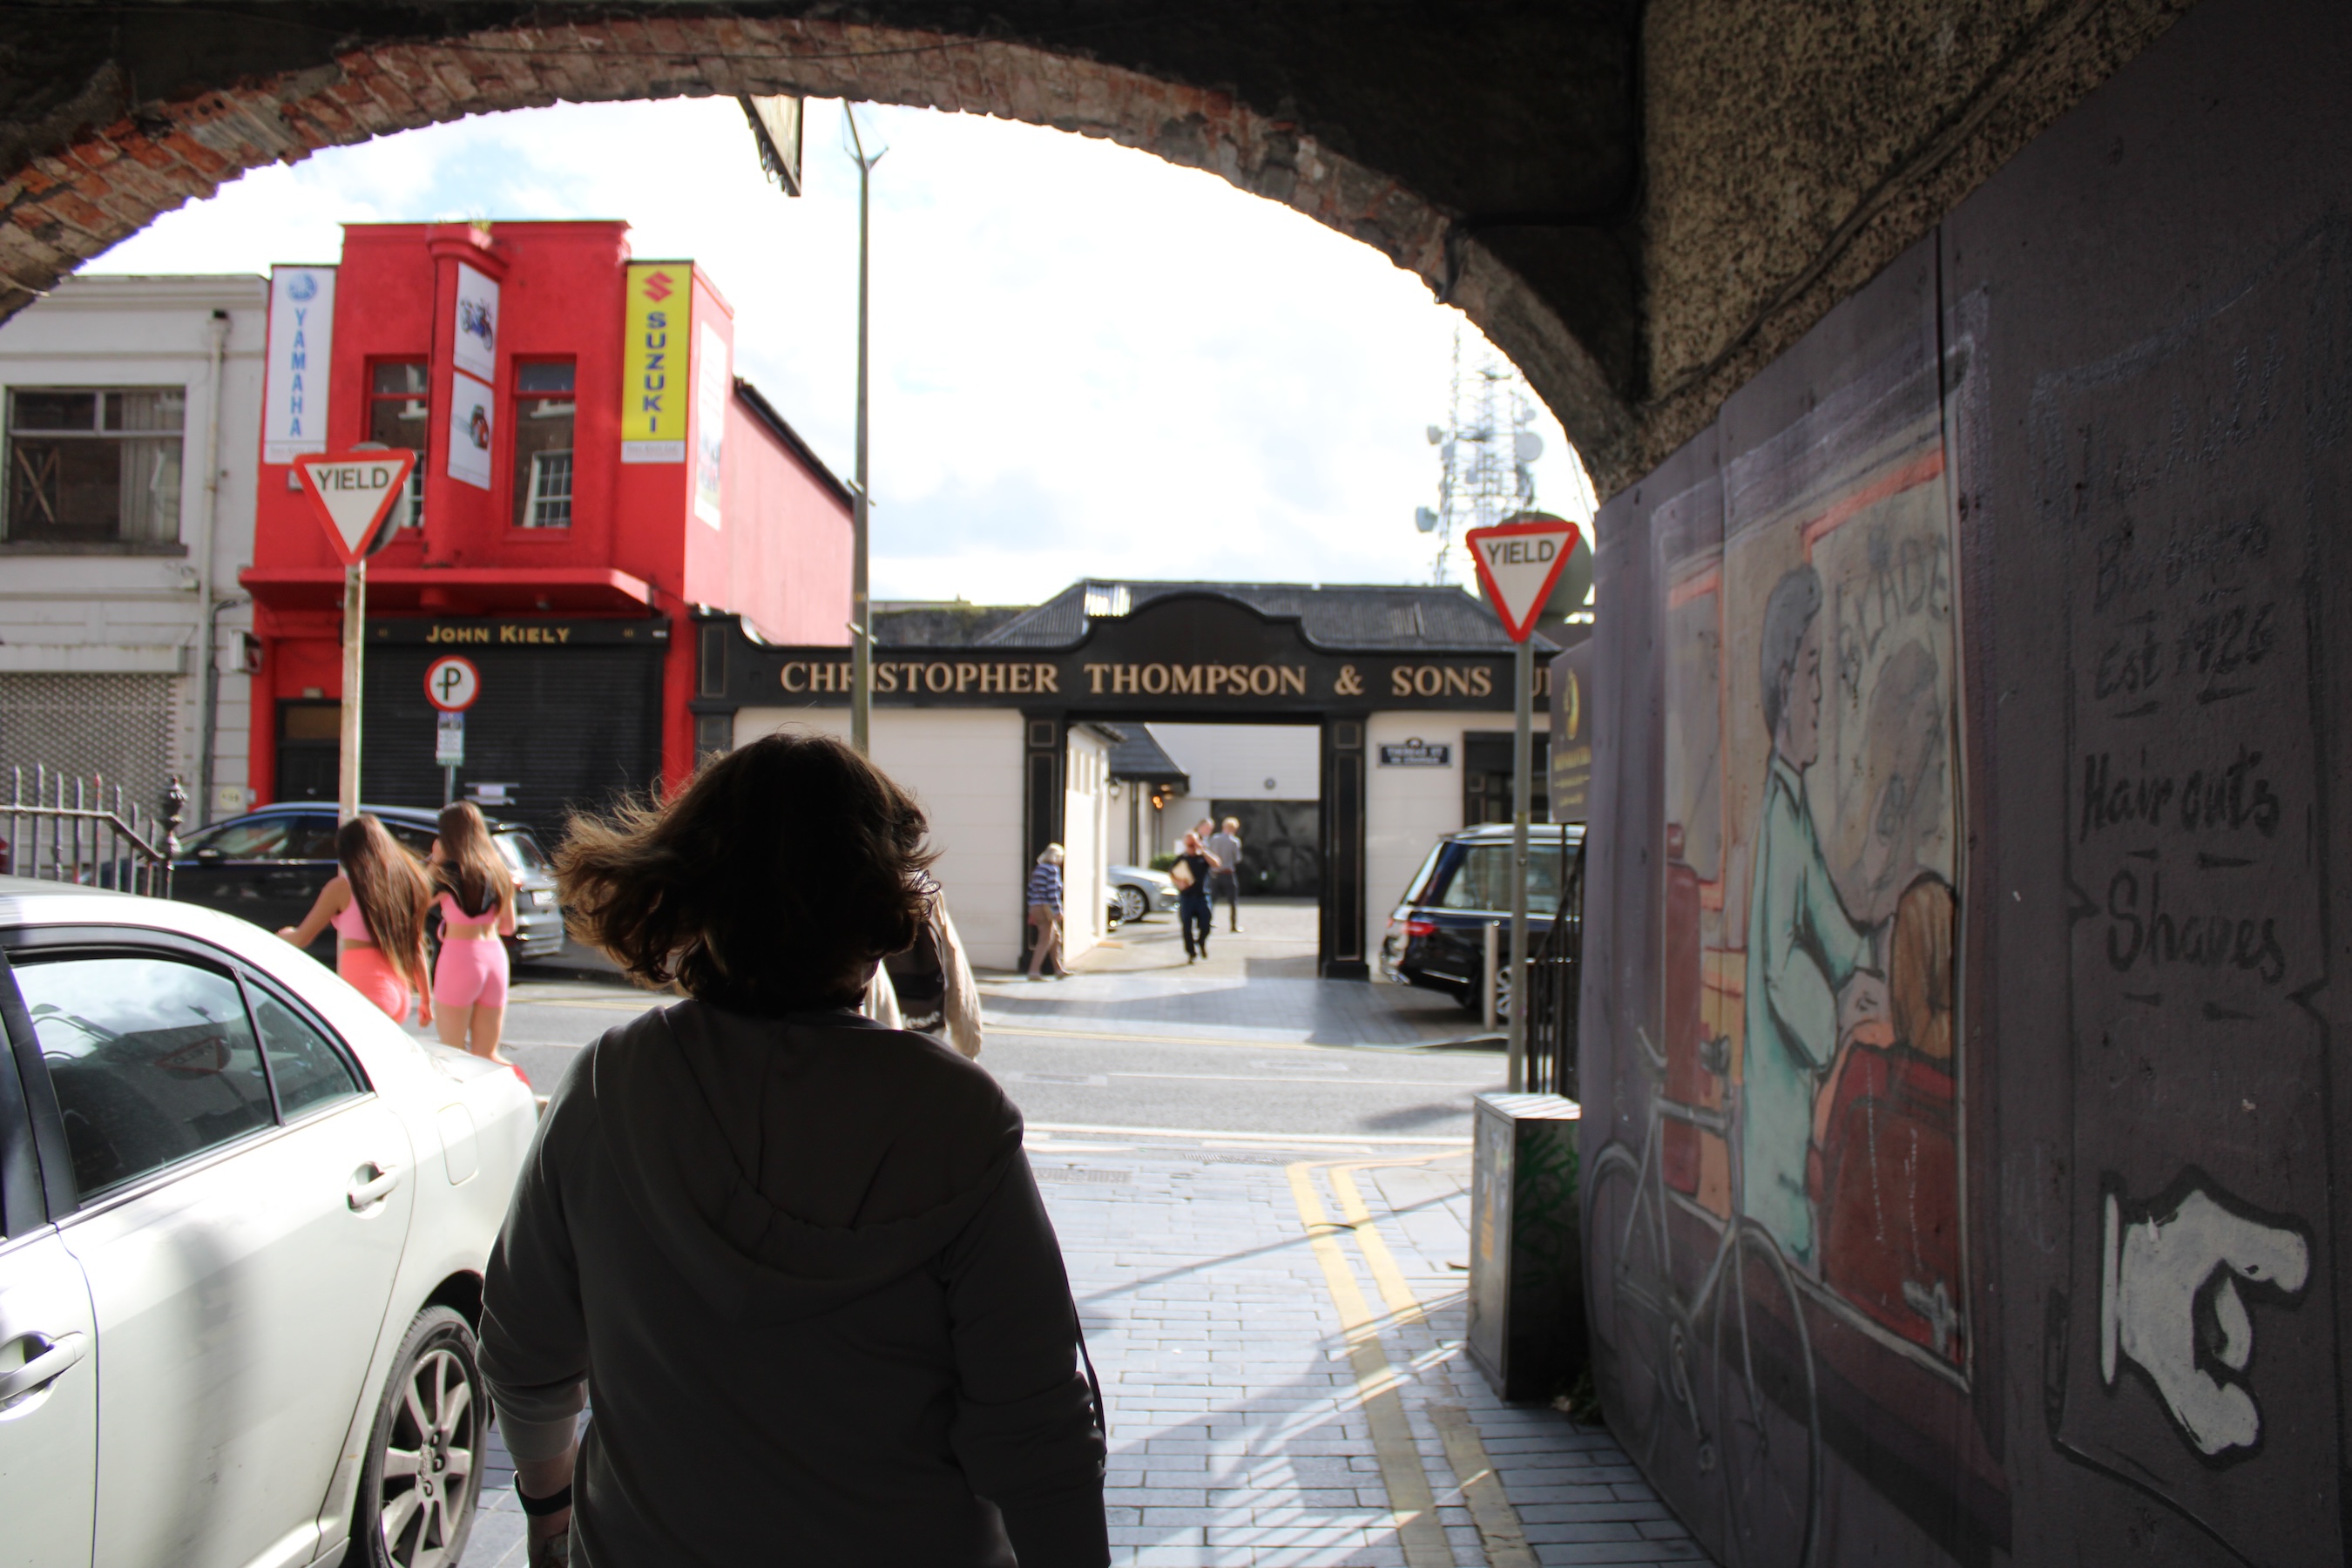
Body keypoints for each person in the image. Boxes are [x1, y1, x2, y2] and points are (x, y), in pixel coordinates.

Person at [478, 732, 1108, 1568]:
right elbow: (1037, 1427)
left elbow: (525, 1357)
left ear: (694, 895)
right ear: (875, 916)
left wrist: (549, 1513)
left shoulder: (610, 1085)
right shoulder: (956, 1115)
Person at [1741, 564, 1886, 1269]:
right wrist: (1837, 1008)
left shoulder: (1793, 808)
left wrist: (1867, 959)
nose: (1823, 692)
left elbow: (1826, 921)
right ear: (1781, 685)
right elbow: (1778, 965)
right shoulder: (1777, 813)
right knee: (1788, 1233)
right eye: (1811, 671)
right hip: (1780, 1099)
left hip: (1798, 1094)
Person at [278, 814, 434, 1025]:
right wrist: (425, 1000)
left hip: (367, 990)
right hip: (398, 991)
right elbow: (417, 946)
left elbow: (302, 938)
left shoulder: (342, 888)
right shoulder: (407, 884)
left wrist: (282, 936)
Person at [429, 801, 518, 1063]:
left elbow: (414, 902)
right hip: (495, 958)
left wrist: (435, 861)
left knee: (452, 1052)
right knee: (488, 1054)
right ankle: (517, 1092)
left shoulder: (448, 872)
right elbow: (508, 927)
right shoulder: (499, 871)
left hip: (460, 957)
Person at [885, 890, 985, 1057]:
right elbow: (954, 961)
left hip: (882, 1044)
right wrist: (968, 1042)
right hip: (927, 1030)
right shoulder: (927, 893)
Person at [1174, 830, 1220, 963]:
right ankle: (1191, 953)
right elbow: (1172, 873)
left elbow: (1217, 864)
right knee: (1186, 927)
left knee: (1206, 925)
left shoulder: (1203, 858)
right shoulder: (1181, 859)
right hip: (1187, 897)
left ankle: (1201, 942)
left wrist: (1203, 850)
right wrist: (1179, 883)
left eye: (1194, 845)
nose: (1192, 848)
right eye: (1189, 845)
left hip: (1202, 897)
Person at [1026, 843, 1067, 982]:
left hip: (1035, 906)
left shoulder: (1038, 869)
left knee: (1056, 936)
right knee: (1045, 939)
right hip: (1046, 908)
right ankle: (1034, 971)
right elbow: (1052, 892)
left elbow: (1031, 889)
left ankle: (1058, 969)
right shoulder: (1052, 869)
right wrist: (1057, 910)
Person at [1206, 816, 1244, 933]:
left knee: (1211, 899)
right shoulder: (1234, 842)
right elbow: (1237, 858)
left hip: (1215, 873)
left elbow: (1209, 854)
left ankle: (1208, 922)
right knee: (1233, 901)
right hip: (1228, 873)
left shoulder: (1214, 839)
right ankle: (1233, 925)